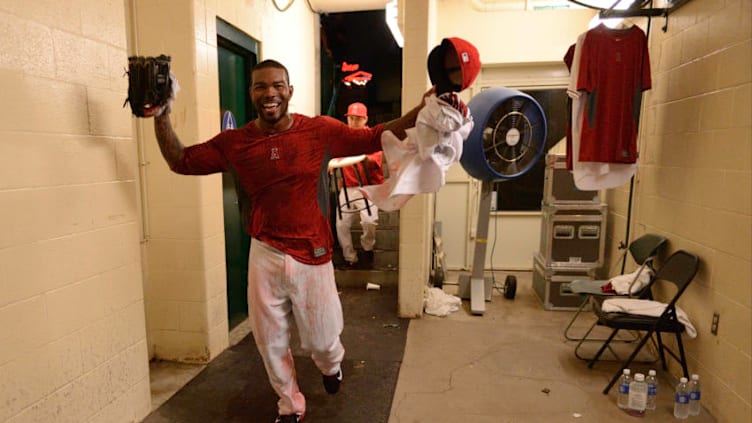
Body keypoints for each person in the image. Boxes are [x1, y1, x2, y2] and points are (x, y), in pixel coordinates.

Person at [143, 59, 431, 423]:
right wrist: (161, 115)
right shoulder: (235, 143)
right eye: (261, 86)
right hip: (265, 251)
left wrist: (420, 111)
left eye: (277, 85)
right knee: (270, 339)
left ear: (290, 91)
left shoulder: (319, 131)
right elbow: (180, 161)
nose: (269, 93)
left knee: (324, 339)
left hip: (314, 251)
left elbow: (375, 136)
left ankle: (332, 366)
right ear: (251, 94)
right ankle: (290, 404)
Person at [331, 102, 384, 269]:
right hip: (347, 188)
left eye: (357, 119)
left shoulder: (372, 137)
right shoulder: (342, 138)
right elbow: (332, 157)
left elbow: (372, 160)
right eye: (351, 119)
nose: (353, 122)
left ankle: (367, 248)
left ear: (365, 119)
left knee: (369, 220)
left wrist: (358, 155)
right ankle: (350, 258)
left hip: (368, 188)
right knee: (341, 224)